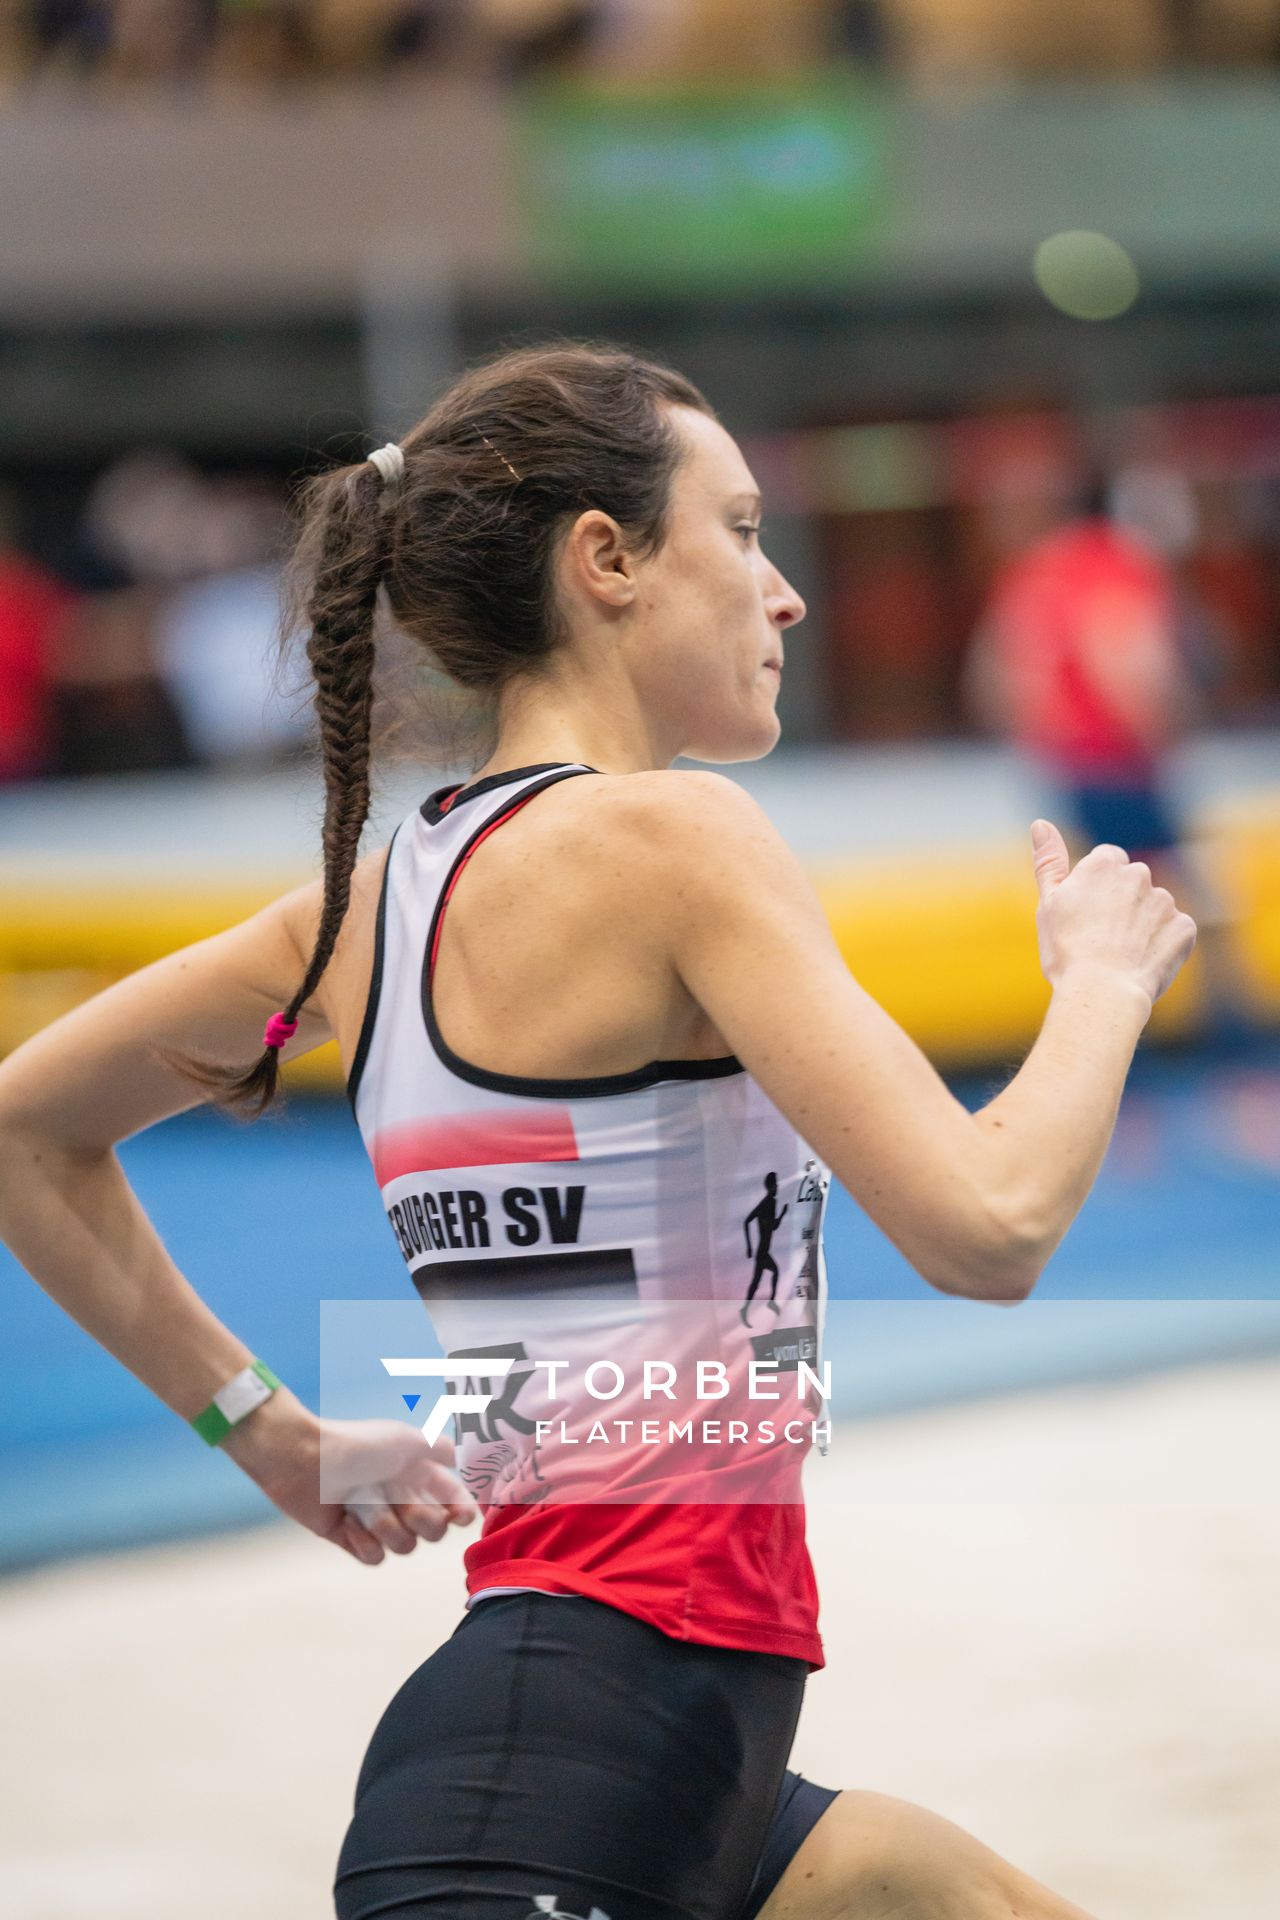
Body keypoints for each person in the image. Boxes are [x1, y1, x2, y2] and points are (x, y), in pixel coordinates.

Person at [0, 343, 1196, 1920]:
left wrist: (271, 1439)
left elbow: (25, 1132)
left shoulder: (363, 912)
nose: (789, 597)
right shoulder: (675, 838)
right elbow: (989, 1226)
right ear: (607, 561)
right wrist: (1101, 983)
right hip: (560, 1783)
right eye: (747, 530)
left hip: (671, 1762)